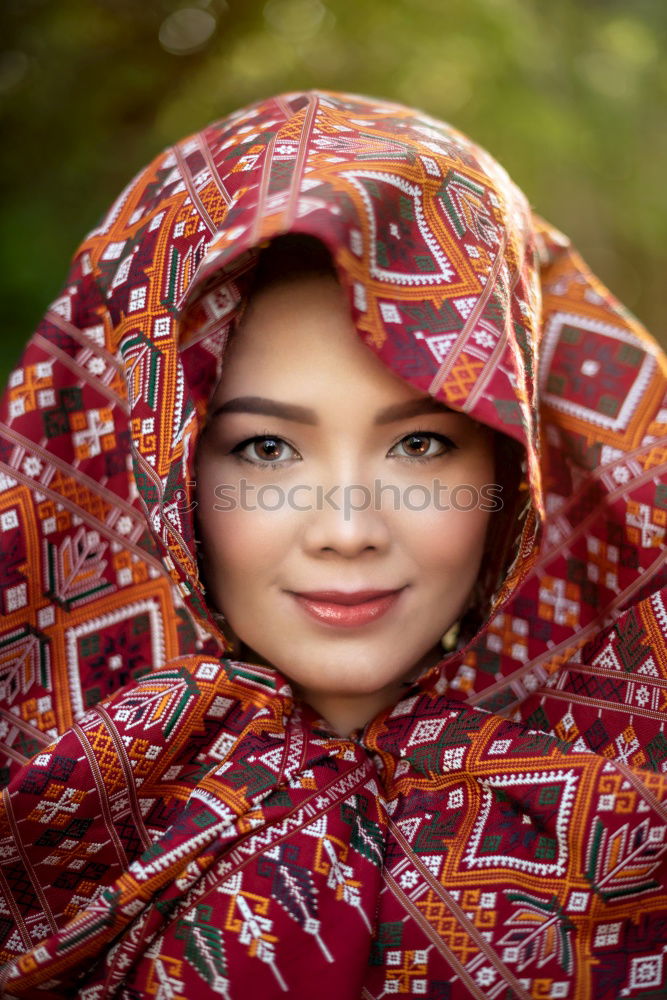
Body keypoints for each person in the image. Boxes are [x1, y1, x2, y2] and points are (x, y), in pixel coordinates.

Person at [0, 89, 665, 998]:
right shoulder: (45, 813)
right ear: (156, 472)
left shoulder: (635, 823)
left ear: (514, 473)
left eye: (421, 445)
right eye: (265, 449)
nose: (348, 529)